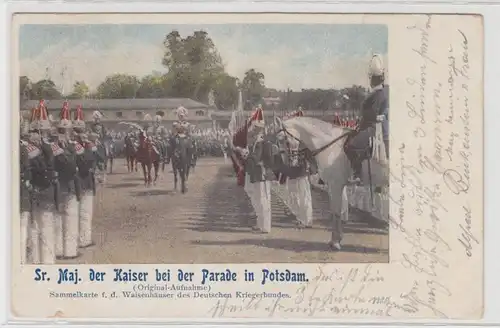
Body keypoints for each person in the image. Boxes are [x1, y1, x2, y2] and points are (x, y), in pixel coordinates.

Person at [345, 54, 388, 183]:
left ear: (372, 79)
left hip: (373, 129)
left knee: (349, 146)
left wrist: (359, 125)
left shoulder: (375, 95)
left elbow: (370, 116)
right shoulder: (382, 92)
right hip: (375, 127)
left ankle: (357, 174)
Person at [26, 100, 59, 264]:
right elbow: (48, 170)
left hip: (32, 192)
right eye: (43, 133)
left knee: (35, 228)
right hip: (42, 190)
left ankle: (36, 260)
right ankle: (46, 261)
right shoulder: (42, 149)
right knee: (44, 226)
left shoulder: (32, 147)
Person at [52, 101, 81, 259]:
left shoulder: (71, 145)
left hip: (70, 185)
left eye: (67, 130)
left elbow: (81, 161)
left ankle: (70, 251)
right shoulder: (54, 146)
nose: (65, 133)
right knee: (59, 219)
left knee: (71, 219)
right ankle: (58, 250)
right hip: (59, 185)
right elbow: (69, 164)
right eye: (62, 130)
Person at [246, 106, 274, 233]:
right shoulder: (255, 142)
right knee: (257, 200)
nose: (253, 130)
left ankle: (266, 226)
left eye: (255, 128)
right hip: (256, 174)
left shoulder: (264, 142)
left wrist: (252, 158)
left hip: (262, 174)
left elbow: (269, 159)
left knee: (263, 201)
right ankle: (260, 223)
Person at [73, 105, 96, 249]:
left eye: (83, 131)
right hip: (80, 182)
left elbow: (95, 158)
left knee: (86, 213)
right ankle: (81, 240)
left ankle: (85, 238)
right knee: (81, 213)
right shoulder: (77, 146)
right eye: (79, 132)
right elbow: (85, 163)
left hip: (86, 182)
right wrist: (88, 146)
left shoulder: (85, 145)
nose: (82, 134)